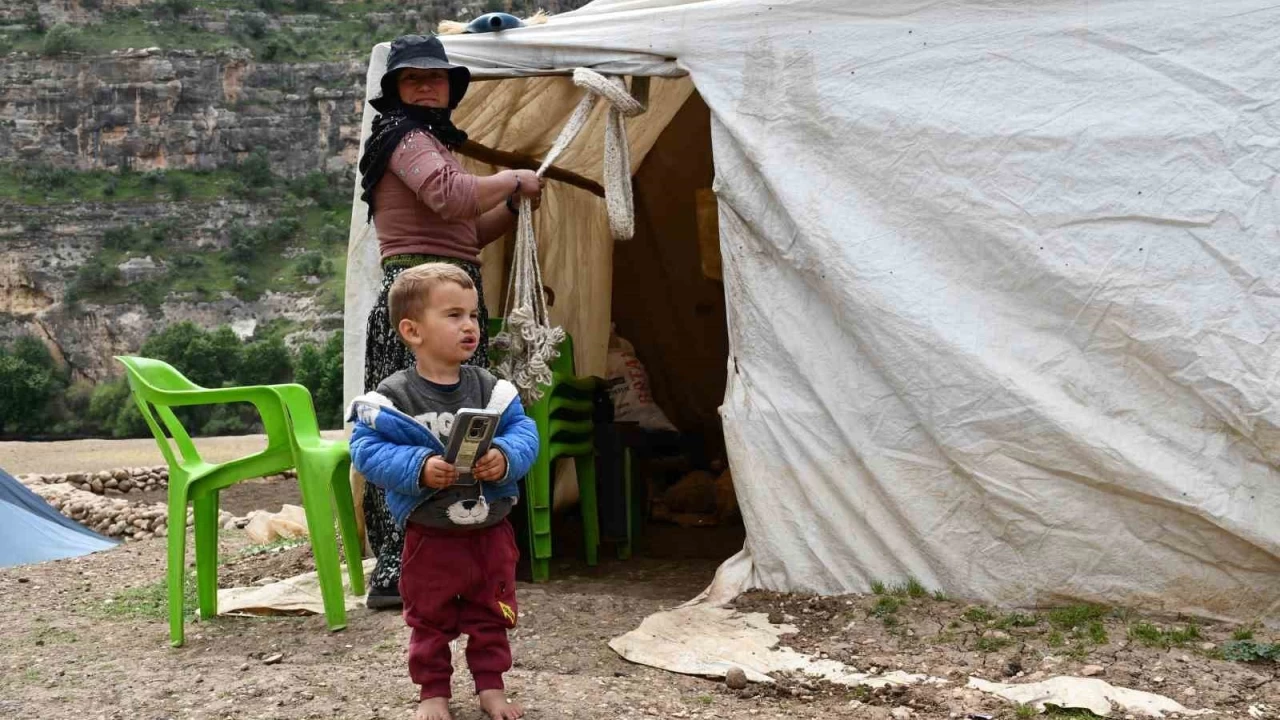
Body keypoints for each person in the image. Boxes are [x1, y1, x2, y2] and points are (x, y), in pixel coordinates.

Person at [357, 33, 543, 607]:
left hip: (448, 289)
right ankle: (399, 570)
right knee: (407, 427)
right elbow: (449, 196)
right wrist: (514, 178)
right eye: (414, 78)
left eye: (436, 77)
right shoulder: (404, 137)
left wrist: (510, 208)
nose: (427, 85)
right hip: (414, 297)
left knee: (462, 426)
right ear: (394, 90)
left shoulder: (432, 144)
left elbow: (466, 232)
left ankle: (461, 559)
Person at [349, 263, 539, 720]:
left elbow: (525, 432)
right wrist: (418, 467)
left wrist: (506, 457)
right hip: (429, 537)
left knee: (492, 613)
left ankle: (491, 688)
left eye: (472, 315)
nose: (469, 325)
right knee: (427, 619)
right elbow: (365, 449)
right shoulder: (393, 398)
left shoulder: (491, 389)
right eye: (453, 315)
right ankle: (433, 692)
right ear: (412, 330)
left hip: (490, 534)